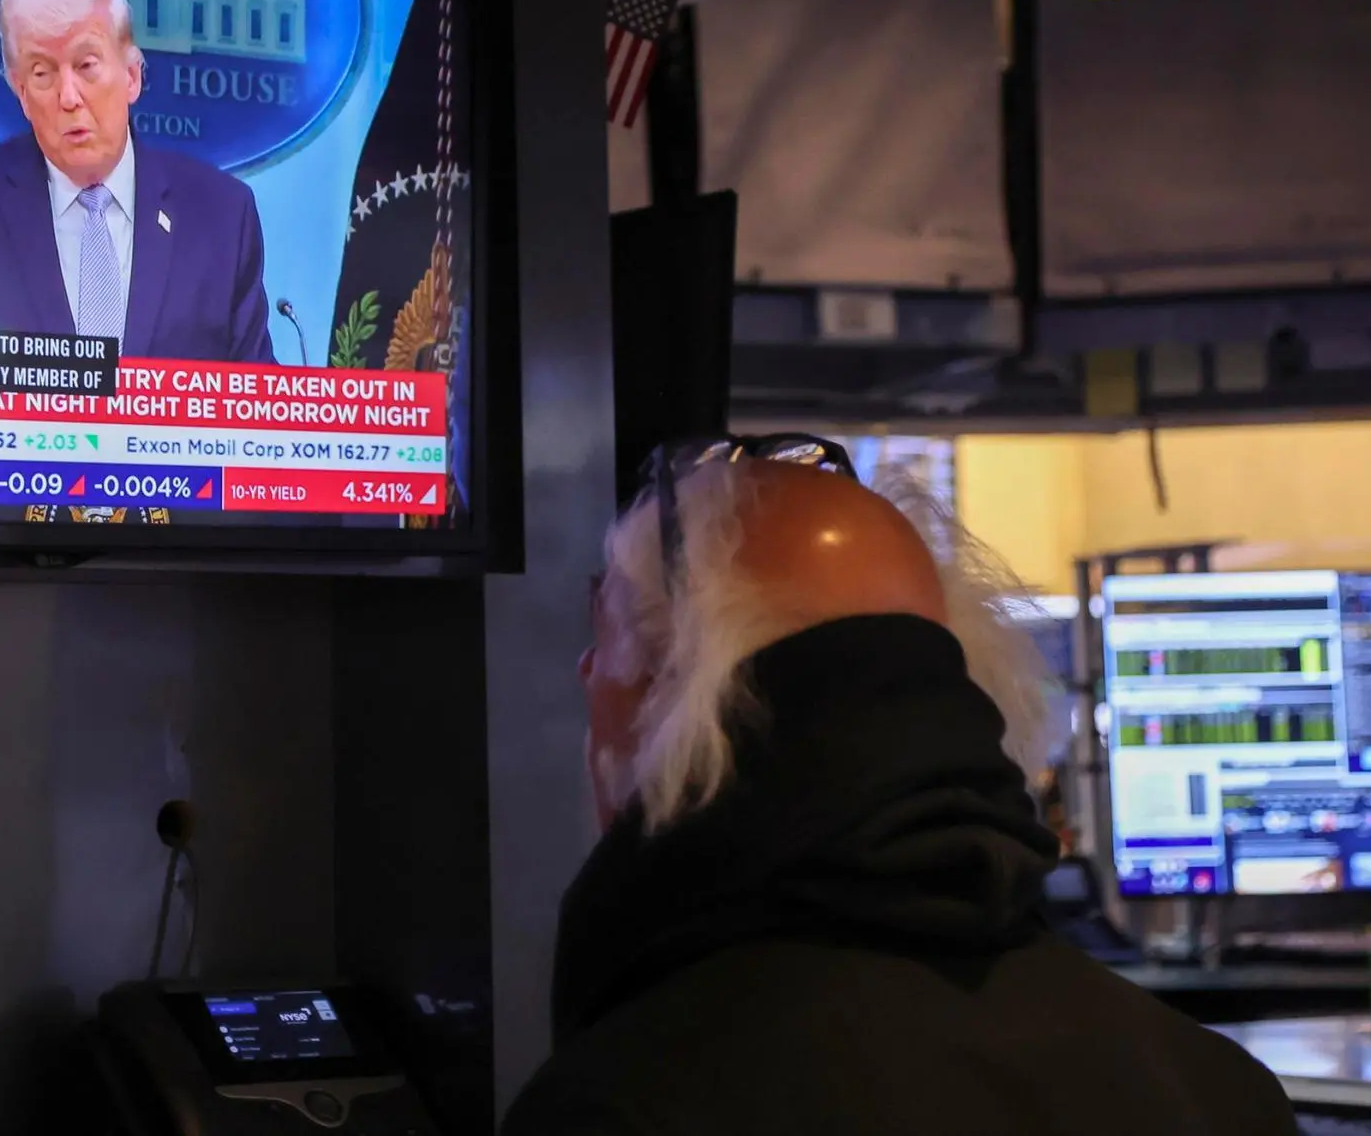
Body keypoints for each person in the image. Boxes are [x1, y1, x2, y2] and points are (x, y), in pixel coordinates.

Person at [503, 437, 1296, 1136]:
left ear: (671, 689)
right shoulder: (1215, 1087)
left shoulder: (623, 1100)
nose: (582, 676)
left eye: (601, 639)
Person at [0, 0, 276, 364]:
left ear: (132, 76)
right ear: (21, 92)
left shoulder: (221, 216)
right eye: (42, 72)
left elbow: (254, 405)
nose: (68, 96)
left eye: (87, 66)